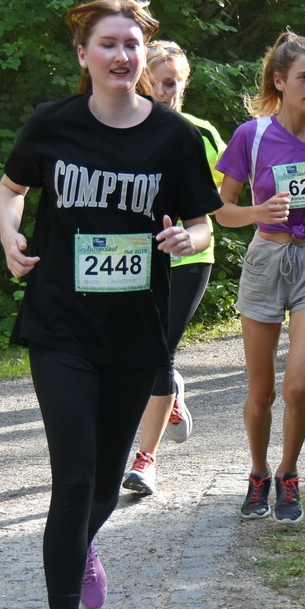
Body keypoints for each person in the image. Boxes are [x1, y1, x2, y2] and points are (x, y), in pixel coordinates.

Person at [0, 0, 222, 609]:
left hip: (132, 332)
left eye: (132, 44)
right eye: (109, 44)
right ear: (84, 55)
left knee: (101, 484)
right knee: (73, 479)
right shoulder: (53, 123)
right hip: (60, 324)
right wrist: (10, 235)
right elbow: (9, 191)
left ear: (143, 55)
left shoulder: (174, 136)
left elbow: (204, 225)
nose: (122, 55)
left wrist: (186, 236)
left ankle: (84, 540)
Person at [215, 32, 305, 525]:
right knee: (261, 393)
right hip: (266, 261)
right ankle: (258, 473)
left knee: (296, 388)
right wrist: (258, 211)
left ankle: (288, 472)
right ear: (280, 81)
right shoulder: (251, 136)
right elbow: (221, 210)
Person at [123, 41, 227, 495]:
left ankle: (145, 459)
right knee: (132, 352)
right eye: (157, 83)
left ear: (185, 85)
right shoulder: (120, 130)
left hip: (189, 257)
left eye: (173, 83)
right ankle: (170, 395)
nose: (165, 92)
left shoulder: (199, 133)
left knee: (157, 352)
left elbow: (230, 188)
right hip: (131, 258)